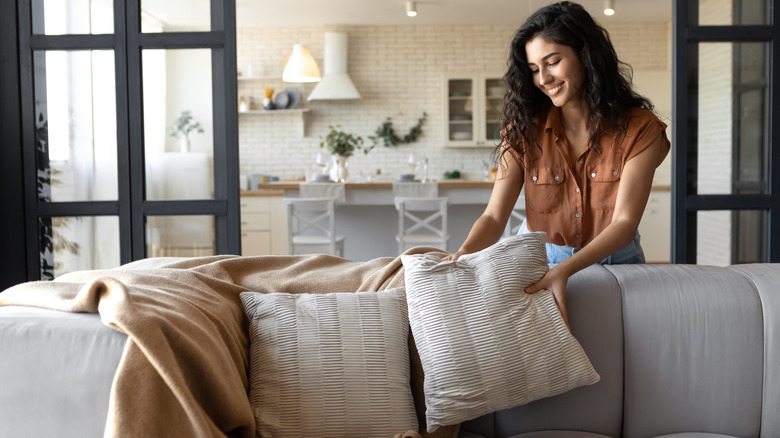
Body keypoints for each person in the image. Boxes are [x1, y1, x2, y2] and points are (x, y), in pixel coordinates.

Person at [444, 1, 670, 326]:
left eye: (553, 62)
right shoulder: (523, 130)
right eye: (534, 69)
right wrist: (462, 255)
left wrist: (565, 271)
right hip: (543, 261)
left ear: (586, 55)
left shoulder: (640, 128)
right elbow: (494, 216)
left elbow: (623, 224)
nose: (543, 78)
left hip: (618, 262)